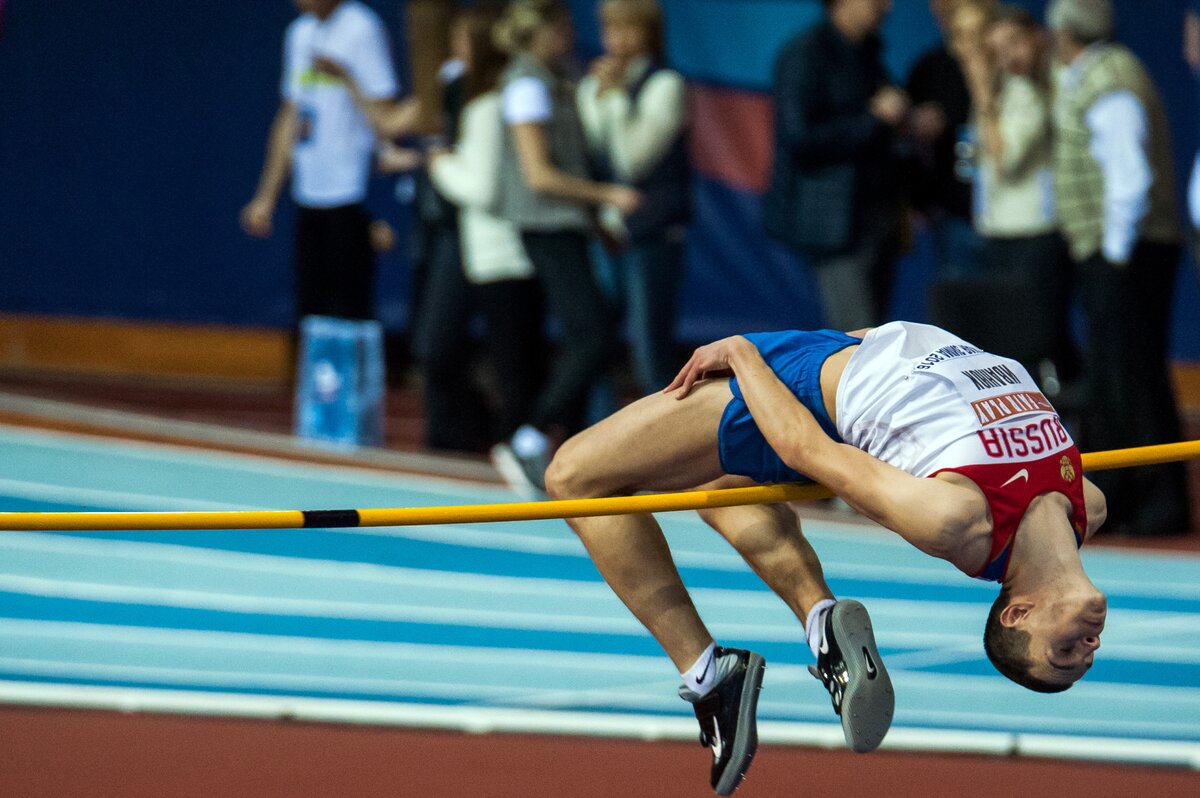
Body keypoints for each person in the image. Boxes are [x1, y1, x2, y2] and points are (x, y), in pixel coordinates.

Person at [545, 321, 1107, 795]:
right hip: (866, 348)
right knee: (723, 487)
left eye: (1065, 651)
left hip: (810, 391)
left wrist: (744, 352)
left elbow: (805, 449)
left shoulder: (952, 518)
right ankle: (821, 625)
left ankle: (707, 675)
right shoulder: (1088, 506)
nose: (1089, 645)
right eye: (1084, 653)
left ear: (1018, 613)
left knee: (573, 477)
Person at [1047, 0, 1191, 538]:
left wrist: (1113, 254)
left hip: (1127, 253)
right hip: (1122, 251)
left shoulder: (1110, 77)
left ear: (1063, 30)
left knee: (1133, 380)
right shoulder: (1095, 73)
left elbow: (1128, 173)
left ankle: (1156, 506)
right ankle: (1130, 501)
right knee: (1119, 379)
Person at [488, 0, 643, 497]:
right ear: (544, 31)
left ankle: (550, 443)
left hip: (569, 225)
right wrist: (607, 197)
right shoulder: (527, 85)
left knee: (588, 334)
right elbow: (539, 174)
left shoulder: (561, 79)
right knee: (593, 334)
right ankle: (525, 436)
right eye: (565, 27)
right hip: (546, 225)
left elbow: (573, 156)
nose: (573, 36)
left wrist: (597, 222)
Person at [428, 3, 548, 453]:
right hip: (490, 251)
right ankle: (501, 445)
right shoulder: (488, 101)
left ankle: (515, 452)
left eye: (461, 43)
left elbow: (480, 188)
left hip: (503, 251)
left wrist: (439, 163)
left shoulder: (489, 107)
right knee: (510, 363)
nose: (454, 53)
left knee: (515, 365)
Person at [937, 3, 1077, 388]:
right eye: (995, 49)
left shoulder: (1028, 92)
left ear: (1036, 39)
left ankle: (1059, 425)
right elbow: (974, 161)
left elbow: (1005, 161)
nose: (1003, 57)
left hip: (1033, 236)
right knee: (1001, 343)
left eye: (1011, 44)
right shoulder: (998, 93)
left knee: (1039, 342)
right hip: (998, 235)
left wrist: (982, 92)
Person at [240, 0, 401, 324]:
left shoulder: (361, 28)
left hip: (352, 190)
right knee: (311, 307)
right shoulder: (299, 34)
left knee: (348, 306)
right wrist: (266, 197)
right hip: (310, 189)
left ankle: (355, 374)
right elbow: (290, 114)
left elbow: (387, 115)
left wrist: (347, 77)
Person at [763, 0, 906, 332]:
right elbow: (799, 139)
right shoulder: (804, 54)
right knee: (859, 340)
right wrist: (873, 118)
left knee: (879, 336)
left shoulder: (870, 51)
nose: (887, 6)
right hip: (835, 225)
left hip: (878, 218)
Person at [577, 0, 690, 395]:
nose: (618, 40)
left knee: (649, 350)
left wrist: (616, 98)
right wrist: (597, 96)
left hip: (652, 234)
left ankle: (661, 447)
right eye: (610, 29)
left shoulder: (666, 85)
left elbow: (632, 159)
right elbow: (588, 152)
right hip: (603, 234)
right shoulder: (593, 85)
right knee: (593, 346)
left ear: (650, 32)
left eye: (629, 28)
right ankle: (596, 444)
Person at [906, 0, 990, 280]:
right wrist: (919, 201)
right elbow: (907, 144)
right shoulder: (929, 67)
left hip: (1014, 216)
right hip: (954, 211)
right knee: (962, 306)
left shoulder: (1007, 63)